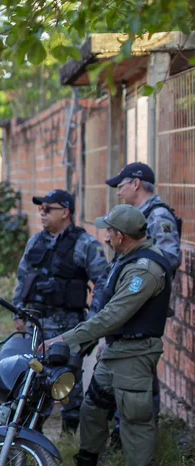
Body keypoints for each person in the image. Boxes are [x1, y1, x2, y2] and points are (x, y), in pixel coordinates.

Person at [47, 204, 172, 466]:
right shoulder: (128, 259)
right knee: (93, 409)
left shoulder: (145, 269)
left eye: (109, 232)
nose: (105, 237)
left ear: (121, 236)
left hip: (135, 354)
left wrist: (66, 339)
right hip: (116, 351)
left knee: (135, 419)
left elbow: (113, 315)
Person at [99, 162, 182, 446]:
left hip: (143, 306)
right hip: (129, 303)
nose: (118, 192)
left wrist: (137, 282)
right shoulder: (136, 215)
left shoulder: (158, 216)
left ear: (136, 183)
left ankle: (137, 438)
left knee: (139, 374)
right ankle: (124, 433)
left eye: (120, 186)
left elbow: (168, 258)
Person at [12, 189, 108, 434]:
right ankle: (31, 439)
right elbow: (23, 277)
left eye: (47, 209)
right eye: (40, 209)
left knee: (69, 385)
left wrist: (93, 322)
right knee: (32, 384)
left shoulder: (85, 244)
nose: (42, 214)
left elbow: (104, 283)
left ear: (65, 212)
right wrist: (18, 312)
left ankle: (71, 438)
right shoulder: (36, 241)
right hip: (38, 326)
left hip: (68, 328)